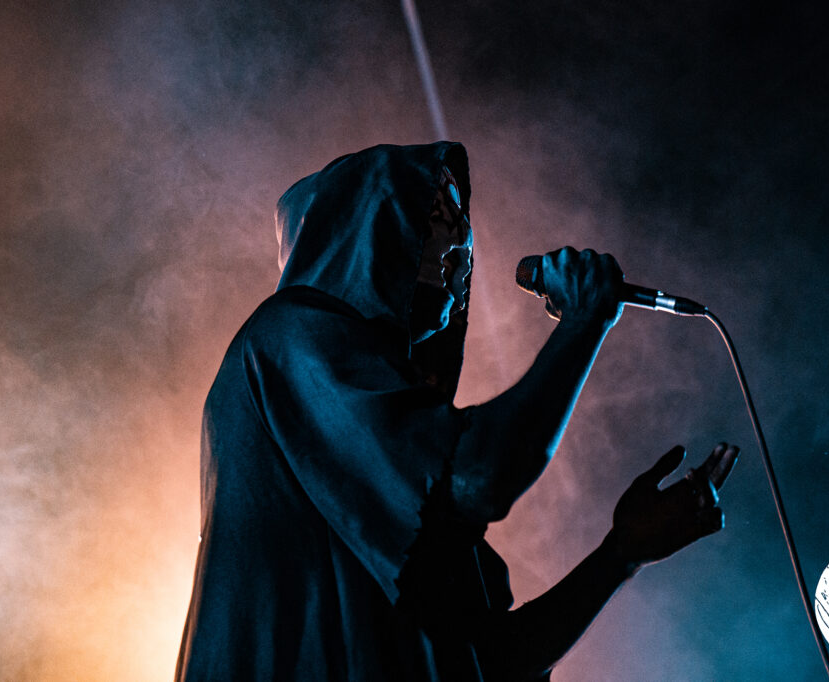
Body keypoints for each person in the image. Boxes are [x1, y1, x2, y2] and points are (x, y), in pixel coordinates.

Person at [174, 141, 739, 681]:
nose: (459, 260)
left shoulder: (394, 467)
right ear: (366, 235)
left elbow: (493, 660)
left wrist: (622, 554)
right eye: (436, 227)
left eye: (463, 245)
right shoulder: (289, 337)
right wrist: (586, 319)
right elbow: (479, 478)